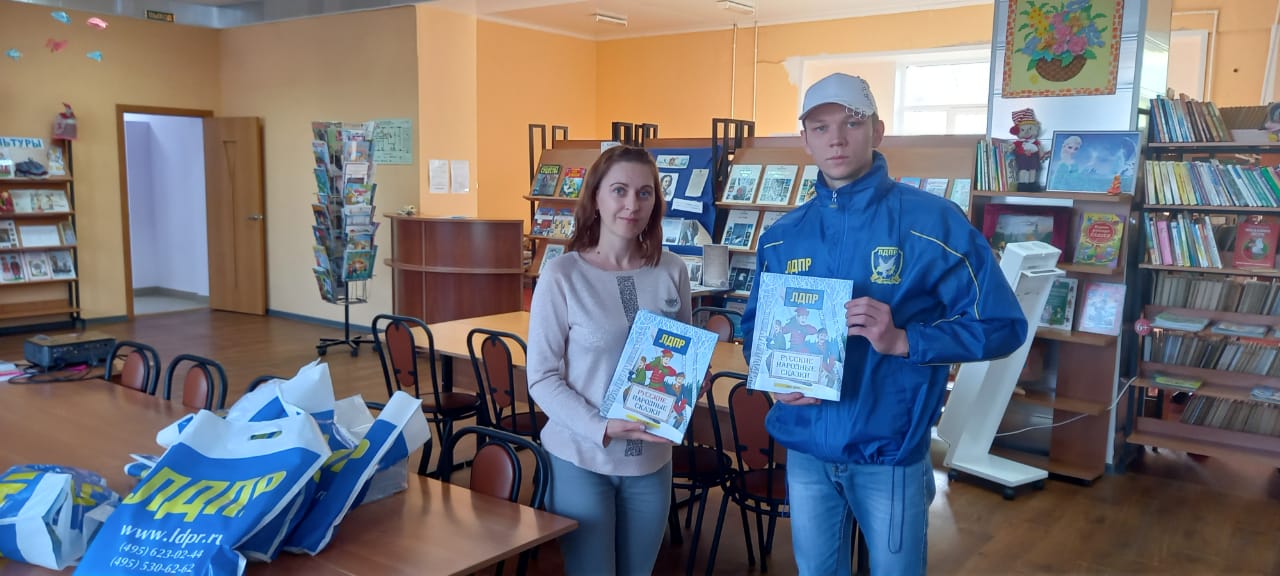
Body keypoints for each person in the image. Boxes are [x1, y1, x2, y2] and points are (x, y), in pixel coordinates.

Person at [740, 73, 1027, 576]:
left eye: (852, 123)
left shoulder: (934, 222)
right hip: (806, 449)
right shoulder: (783, 236)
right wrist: (773, 376)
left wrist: (905, 340)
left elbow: (1002, 325)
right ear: (805, 139)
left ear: (877, 131)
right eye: (821, 127)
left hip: (889, 452)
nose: (836, 138)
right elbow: (754, 329)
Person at [526, 145, 692, 576]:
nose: (632, 204)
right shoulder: (562, 275)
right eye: (619, 190)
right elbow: (541, 377)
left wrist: (693, 381)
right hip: (580, 456)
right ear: (596, 196)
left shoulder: (673, 270)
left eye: (644, 193)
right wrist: (600, 425)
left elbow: (682, 355)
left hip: (650, 463)